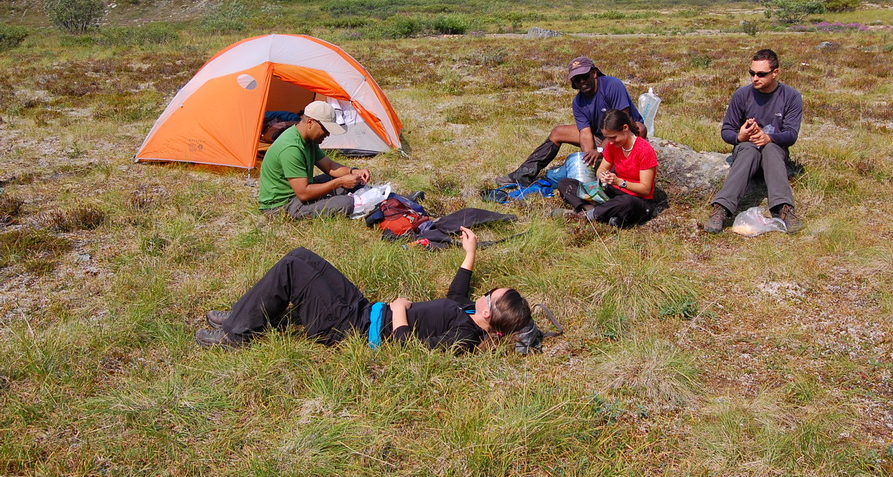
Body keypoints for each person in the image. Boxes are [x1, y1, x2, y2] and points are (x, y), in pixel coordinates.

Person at [195, 228, 533, 352]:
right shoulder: (469, 316)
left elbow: (408, 348)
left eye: (488, 294)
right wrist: (470, 253)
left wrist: (399, 309)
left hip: (349, 329)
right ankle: (242, 316)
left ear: (488, 311)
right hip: (362, 310)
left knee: (292, 268)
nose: (482, 293)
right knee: (301, 256)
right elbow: (457, 295)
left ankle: (236, 334)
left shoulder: (464, 337)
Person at [495, 56, 646, 187]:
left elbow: (621, 122)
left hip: (624, 133)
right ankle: (523, 175)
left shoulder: (612, 85)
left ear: (594, 73)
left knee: (640, 128)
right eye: (577, 80)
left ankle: (622, 170)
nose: (582, 82)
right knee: (557, 132)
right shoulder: (578, 102)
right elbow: (585, 134)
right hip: (599, 135)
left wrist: (599, 151)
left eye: (585, 77)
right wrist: (589, 158)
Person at [704, 49, 803, 234]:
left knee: (771, 149)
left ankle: (784, 209)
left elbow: (791, 135)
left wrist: (769, 138)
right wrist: (739, 137)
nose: (754, 78)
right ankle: (721, 209)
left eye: (761, 74)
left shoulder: (791, 97)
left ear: (775, 73)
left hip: (774, 151)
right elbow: (727, 131)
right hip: (746, 150)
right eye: (752, 73)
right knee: (749, 149)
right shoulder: (742, 95)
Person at [258, 100, 372, 218]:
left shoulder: (308, 139)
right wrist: (340, 182)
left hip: (298, 191)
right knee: (346, 203)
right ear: (310, 122)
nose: (328, 134)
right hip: (281, 204)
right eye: (325, 129)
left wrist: (353, 171)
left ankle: (366, 195)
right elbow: (304, 193)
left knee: (341, 180)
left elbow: (329, 166)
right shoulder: (291, 148)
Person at [554, 109, 658, 226]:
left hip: (638, 200)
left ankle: (585, 215)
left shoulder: (644, 150)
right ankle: (596, 211)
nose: (610, 142)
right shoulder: (612, 145)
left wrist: (619, 182)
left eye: (613, 137)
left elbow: (645, 189)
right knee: (565, 183)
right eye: (607, 138)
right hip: (613, 192)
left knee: (625, 202)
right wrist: (603, 176)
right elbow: (601, 169)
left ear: (625, 128)